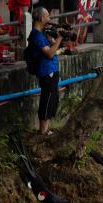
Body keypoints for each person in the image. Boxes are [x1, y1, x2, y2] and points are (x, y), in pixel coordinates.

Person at [26, 7, 64, 135]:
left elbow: (52, 48)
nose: (49, 19)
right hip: (46, 71)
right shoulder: (36, 35)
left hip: (52, 70)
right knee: (47, 100)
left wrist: (55, 38)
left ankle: (46, 129)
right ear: (41, 18)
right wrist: (59, 38)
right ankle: (43, 130)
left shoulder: (42, 33)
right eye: (47, 16)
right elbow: (49, 54)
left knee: (53, 98)